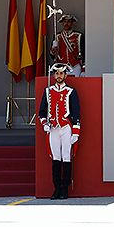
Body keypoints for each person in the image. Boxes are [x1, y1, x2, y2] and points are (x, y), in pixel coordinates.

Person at [38, 63, 81, 200]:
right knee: (56, 157)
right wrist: (44, 123)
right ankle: (56, 188)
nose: (58, 76)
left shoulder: (71, 92)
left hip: (66, 128)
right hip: (53, 129)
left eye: (61, 73)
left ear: (65, 75)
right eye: (56, 73)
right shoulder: (47, 91)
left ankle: (65, 188)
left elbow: (76, 113)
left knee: (66, 157)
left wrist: (76, 132)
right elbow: (41, 112)